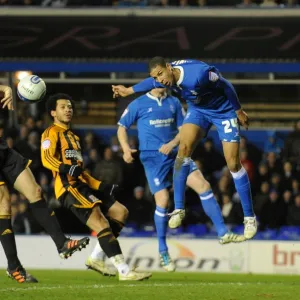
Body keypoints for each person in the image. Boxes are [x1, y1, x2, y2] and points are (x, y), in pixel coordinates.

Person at [112, 57, 257, 240]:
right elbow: (150, 82)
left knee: (233, 164)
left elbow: (225, 84)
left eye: (161, 74)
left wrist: (238, 110)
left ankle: (249, 217)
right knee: (183, 150)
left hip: (223, 112)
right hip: (198, 111)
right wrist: (128, 90)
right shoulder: (161, 78)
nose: (160, 80)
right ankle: (179, 209)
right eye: (156, 76)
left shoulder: (198, 75)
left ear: (168, 67)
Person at [115, 88, 244, 272]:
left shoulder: (173, 102)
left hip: (175, 153)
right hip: (152, 157)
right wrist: (126, 149)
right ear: (152, 80)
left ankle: (222, 232)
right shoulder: (139, 103)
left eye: (164, 80)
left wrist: (172, 144)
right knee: (163, 200)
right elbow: (122, 127)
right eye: (158, 80)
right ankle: (163, 250)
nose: (162, 83)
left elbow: (184, 129)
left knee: (204, 185)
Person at [41, 93, 151, 281]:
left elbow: (81, 171)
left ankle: (96, 258)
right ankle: (124, 271)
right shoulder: (51, 133)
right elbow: (46, 159)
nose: (68, 109)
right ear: (53, 112)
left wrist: (103, 186)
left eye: (70, 106)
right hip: (69, 188)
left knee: (120, 212)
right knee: (100, 222)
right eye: (63, 107)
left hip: (82, 185)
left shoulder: (74, 137)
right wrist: (65, 167)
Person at [0, 86, 89, 283]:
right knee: (4, 205)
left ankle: (62, 244)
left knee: (36, 191)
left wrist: (6, 88)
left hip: (4, 151)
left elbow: (4, 89)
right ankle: (14, 266)